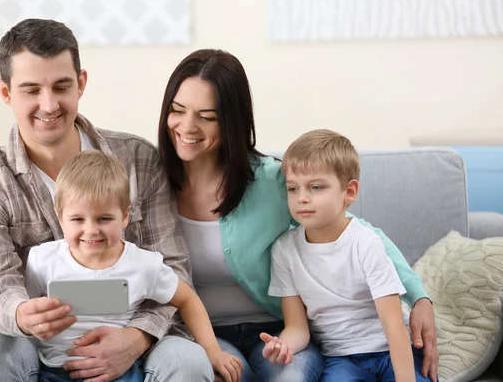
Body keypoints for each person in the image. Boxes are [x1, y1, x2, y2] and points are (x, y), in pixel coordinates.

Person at [156, 48, 439, 382]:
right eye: (177, 110)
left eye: (207, 116)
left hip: (282, 329)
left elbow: (357, 232)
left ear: (232, 120)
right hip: (206, 333)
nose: (187, 126)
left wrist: (419, 296)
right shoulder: (154, 185)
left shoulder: (274, 183)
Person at [0, 18, 216, 382]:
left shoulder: (139, 159)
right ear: (5, 92)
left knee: (187, 360)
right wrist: (18, 315)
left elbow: (173, 271)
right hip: (39, 344)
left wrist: (135, 338)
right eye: (31, 90)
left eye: (61, 86)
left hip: (139, 337)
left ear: (80, 83)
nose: (48, 105)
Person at [25, 150, 243, 382]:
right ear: (60, 217)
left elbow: (187, 299)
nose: (91, 230)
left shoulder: (143, 265)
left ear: (125, 216)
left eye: (104, 219)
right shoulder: (42, 260)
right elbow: (24, 305)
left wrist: (212, 351)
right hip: (54, 370)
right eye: (78, 219)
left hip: (121, 372)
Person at [260, 129, 434, 381]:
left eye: (316, 187)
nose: (302, 198)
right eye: (293, 188)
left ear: (349, 192)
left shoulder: (365, 243)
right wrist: (283, 344)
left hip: (390, 351)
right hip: (341, 359)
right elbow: (298, 328)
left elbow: (394, 325)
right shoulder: (284, 250)